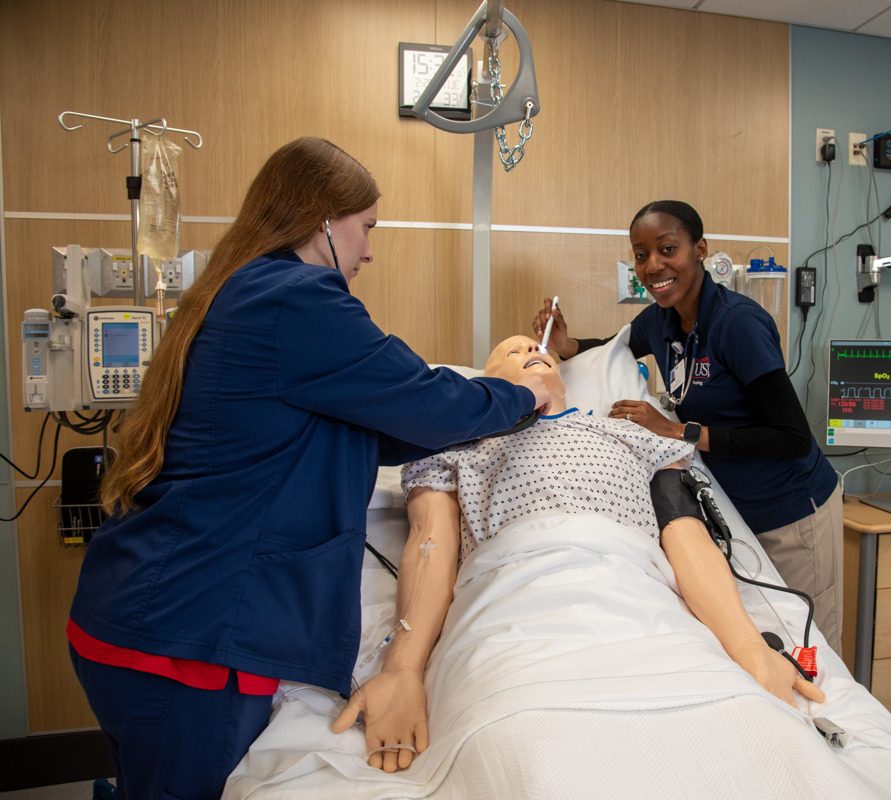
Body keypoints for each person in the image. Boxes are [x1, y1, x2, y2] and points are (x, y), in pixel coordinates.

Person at [66, 137, 551, 800]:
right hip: (188, 641)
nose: (370, 250)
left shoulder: (240, 290)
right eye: (368, 228)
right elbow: (429, 403)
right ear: (326, 221)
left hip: (138, 614)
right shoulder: (298, 300)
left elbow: (366, 424)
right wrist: (520, 392)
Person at [332, 335, 825, 773]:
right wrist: (402, 670)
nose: (530, 350)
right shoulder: (454, 445)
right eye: (511, 351)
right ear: (484, 383)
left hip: (633, 593)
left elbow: (685, 535)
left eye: (537, 348)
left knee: (741, 738)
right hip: (513, 604)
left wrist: (750, 648)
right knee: (525, 749)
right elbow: (428, 545)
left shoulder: (634, 436)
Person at [532, 200, 844, 653]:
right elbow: (613, 348)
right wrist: (567, 345)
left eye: (668, 249)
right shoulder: (662, 318)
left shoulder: (738, 324)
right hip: (737, 512)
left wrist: (678, 431)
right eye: (641, 255)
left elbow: (792, 437)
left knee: (809, 646)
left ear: (699, 249)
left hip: (792, 513)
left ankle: (827, 725)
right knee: (762, 639)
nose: (653, 266)